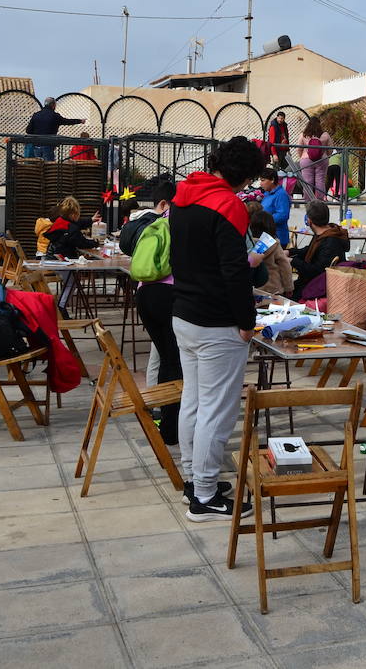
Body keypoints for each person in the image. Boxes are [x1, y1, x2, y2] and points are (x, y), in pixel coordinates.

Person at [169, 136, 263, 520]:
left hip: (185, 314)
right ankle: (205, 496)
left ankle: (195, 479)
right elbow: (234, 270)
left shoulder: (183, 194)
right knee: (216, 411)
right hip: (216, 323)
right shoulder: (228, 205)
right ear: (244, 175)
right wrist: (246, 321)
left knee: (193, 402)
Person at [121, 175, 180, 445]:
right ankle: (170, 427)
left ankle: (161, 415)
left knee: (166, 357)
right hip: (168, 294)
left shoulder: (146, 221)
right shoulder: (178, 222)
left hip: (145, 292)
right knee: (175, 363)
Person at [291, 201, 351, 291]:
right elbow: (310, 249)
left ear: (309, 221)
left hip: (319, 286)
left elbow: (316, 271)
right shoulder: (324, 233)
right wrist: (290, 252)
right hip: (316, 282)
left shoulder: (330, 242)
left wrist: (293, 261)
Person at [247, 208, 294, 298]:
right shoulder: (274, 244)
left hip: (255, 287)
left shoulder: (249, 244)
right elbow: (285, 266)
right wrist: (289, 287)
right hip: (273, 288)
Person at [298, 116, 329, 202]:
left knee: (307, 181)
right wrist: (326, 155)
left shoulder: (303, 134)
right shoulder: (325, 135)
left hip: (306, 159)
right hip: (322, 159)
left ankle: (308, 201)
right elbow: (330, 148)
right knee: (320, 180)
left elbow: (299, 148)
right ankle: (319, 201)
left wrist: (302, 157)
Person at [258, 167, 291, 245]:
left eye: (263, 180)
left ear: (272, 180)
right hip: (266, 236)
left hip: (277, 238)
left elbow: (282, 215)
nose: (260, 183)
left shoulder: (281, 195)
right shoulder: (267, 194)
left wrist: (263, 220)